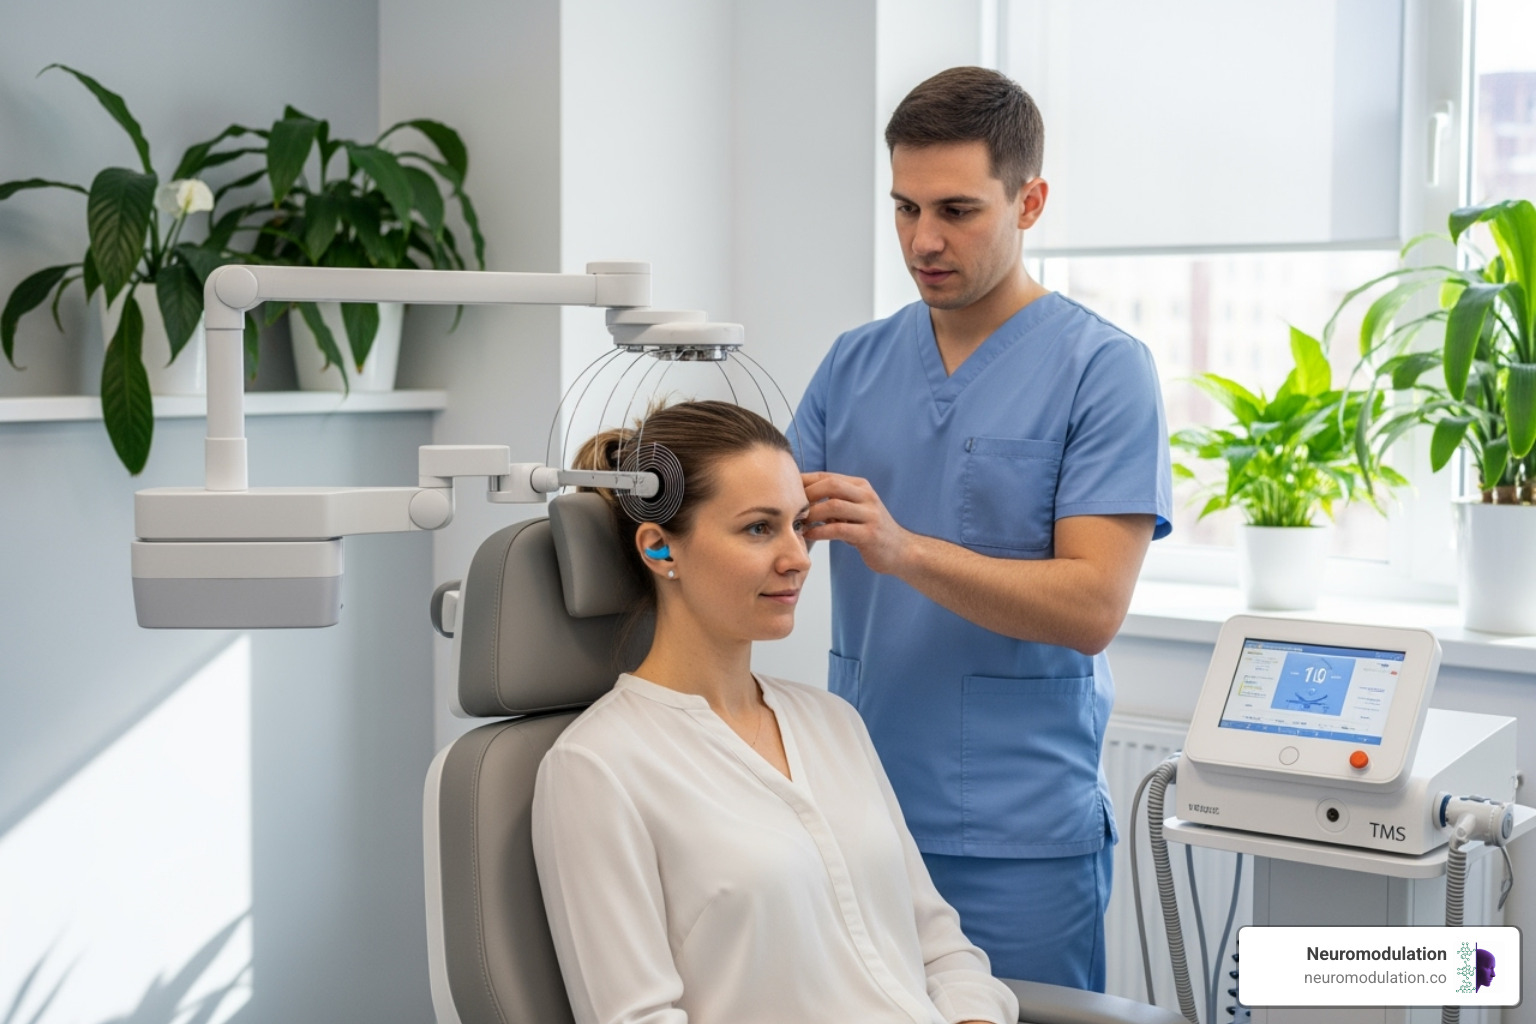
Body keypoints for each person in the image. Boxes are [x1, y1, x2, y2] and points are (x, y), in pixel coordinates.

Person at [793, 66, 1173, 991]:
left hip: (1018, 837)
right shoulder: (854, 363)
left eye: (957, 210)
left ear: (1029, 202)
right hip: (861, 812)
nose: (923, 240)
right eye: (905, 208)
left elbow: (1091, 605)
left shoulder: (1103, 371)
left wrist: (902, 549)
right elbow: (763, 517)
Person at [531, 400, 1020, 1024]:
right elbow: (638, 1017)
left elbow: (942, 952)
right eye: (759, 529)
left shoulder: (831, 722)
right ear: (660, 550)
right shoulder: (598, 767)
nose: (799, 557)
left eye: (799, 525)